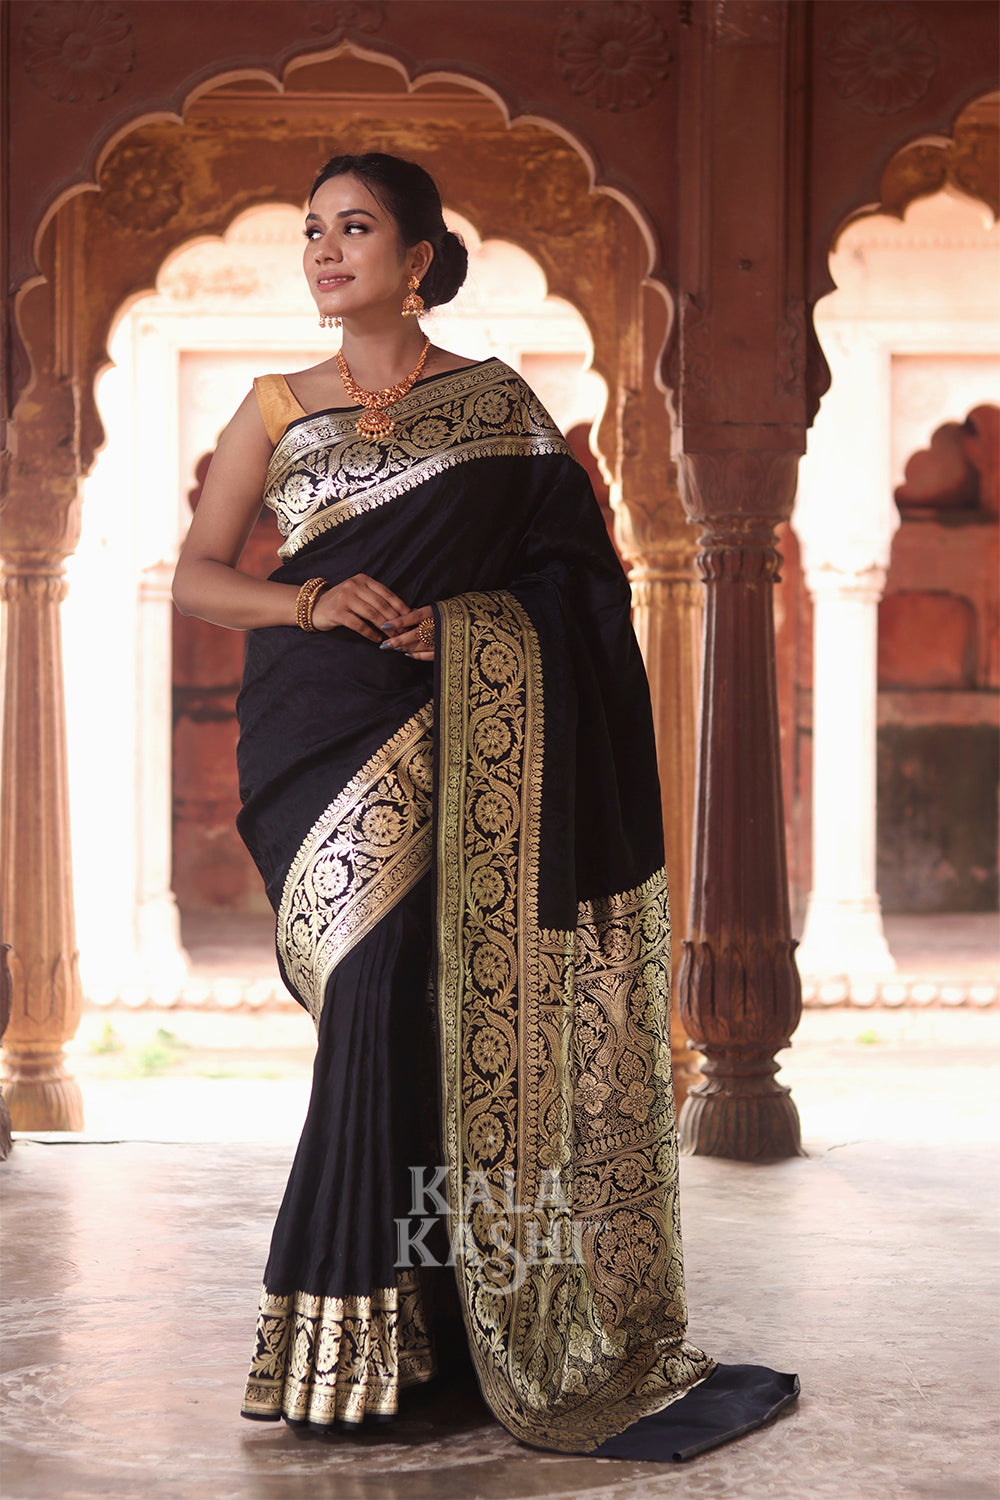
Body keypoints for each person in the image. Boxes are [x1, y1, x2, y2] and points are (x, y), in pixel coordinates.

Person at [172, 152, 797, 1459]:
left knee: (441, 1011)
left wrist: (466, 625)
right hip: (317, 738)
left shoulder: (502, 408)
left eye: (354, 228)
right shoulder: (272, 408)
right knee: (370, 996)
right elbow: (199, 580)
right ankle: (353, 1340)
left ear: (416, 259)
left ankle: (442, 1337)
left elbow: (582, 586)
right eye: (311, 230)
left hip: (467, 733)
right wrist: (309, 601)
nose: (324, 250)